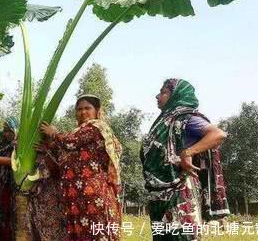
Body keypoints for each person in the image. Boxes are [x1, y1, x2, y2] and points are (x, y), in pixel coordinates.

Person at [142, 79, 228, 240]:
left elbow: (218, 134)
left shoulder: (185, 118)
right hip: (158, 196)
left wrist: (188, 152)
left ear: (176, 95)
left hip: (179, 194)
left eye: (163, 92)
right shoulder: (163, 121)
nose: (157, 96)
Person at [40, 94, 123, 240]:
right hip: (76, 195)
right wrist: (47, 148)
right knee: (80, 233)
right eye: (79, 109)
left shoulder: (97, 128)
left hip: (93, 193)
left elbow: (71, 142)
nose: (83, 112)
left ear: (97, 110)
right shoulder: (78, 131)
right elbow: (62, 157)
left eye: (87, 108)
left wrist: (53, 133)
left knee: (96, 232)